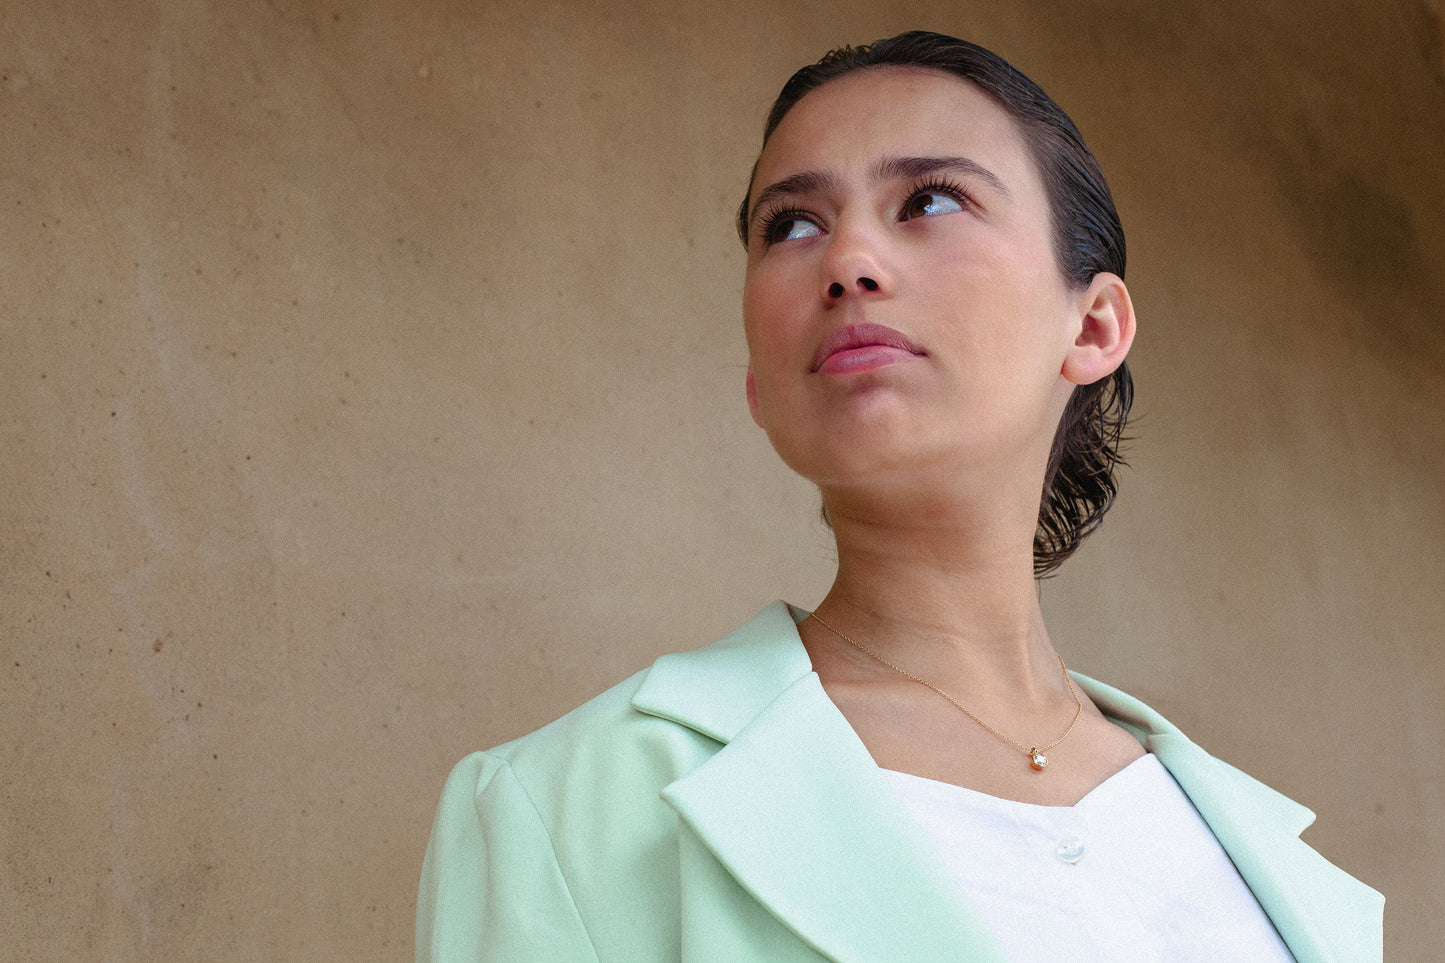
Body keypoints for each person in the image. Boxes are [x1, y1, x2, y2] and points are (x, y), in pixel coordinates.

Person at [416, 31, 1382, 962]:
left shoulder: (1268, 858)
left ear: (1091, 325)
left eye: (929, 199)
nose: (848, 264)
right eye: (790, 225)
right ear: (759, 376)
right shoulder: (561, 809)